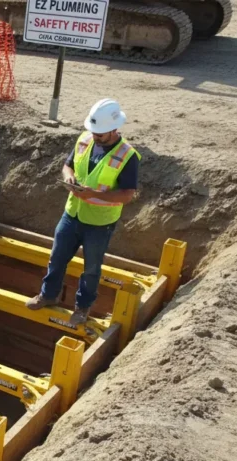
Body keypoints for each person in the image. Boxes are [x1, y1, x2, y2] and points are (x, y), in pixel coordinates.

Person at [25, 98, 141, 326]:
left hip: (99, 223)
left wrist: (95, 195)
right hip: (72, 213)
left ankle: (82, 309)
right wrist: (68, 176)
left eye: (101, 132)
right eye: (94, 130)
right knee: (57, 258)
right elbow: (67, 165)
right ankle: (48, 295)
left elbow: (127, 194)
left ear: (115, 128)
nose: (96, 135)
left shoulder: (127, 156)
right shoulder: (84, 140)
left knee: (91, 269)